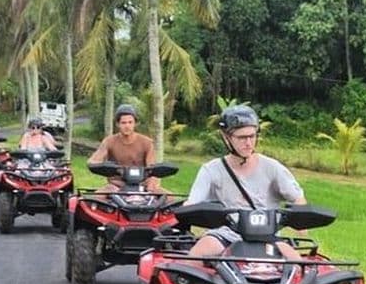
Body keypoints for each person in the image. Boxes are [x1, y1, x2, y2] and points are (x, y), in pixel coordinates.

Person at [185, 104, 307, 259]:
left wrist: (302, 225)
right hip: (225, 235)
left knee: (299, 264)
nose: (248, 143)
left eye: (252, 136)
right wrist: (186, 211)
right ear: (226, 137)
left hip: (267, 236)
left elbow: (297, 198)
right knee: (198, 253)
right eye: (242, 137)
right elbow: (193, 202)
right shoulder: (211, 170)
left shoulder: (272, 167)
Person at [88, 104, 160, 192]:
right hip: (116, 187)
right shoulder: (109, 141)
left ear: (135, 123)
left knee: (172, 201)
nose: (127, 126)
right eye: (123, 123)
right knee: (90, 202)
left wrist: (152, 184)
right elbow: (93, 160)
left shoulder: (147, 143)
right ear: (118, 124)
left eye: (130, 122)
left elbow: (152, 168)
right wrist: (103, 167)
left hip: (142, 186)